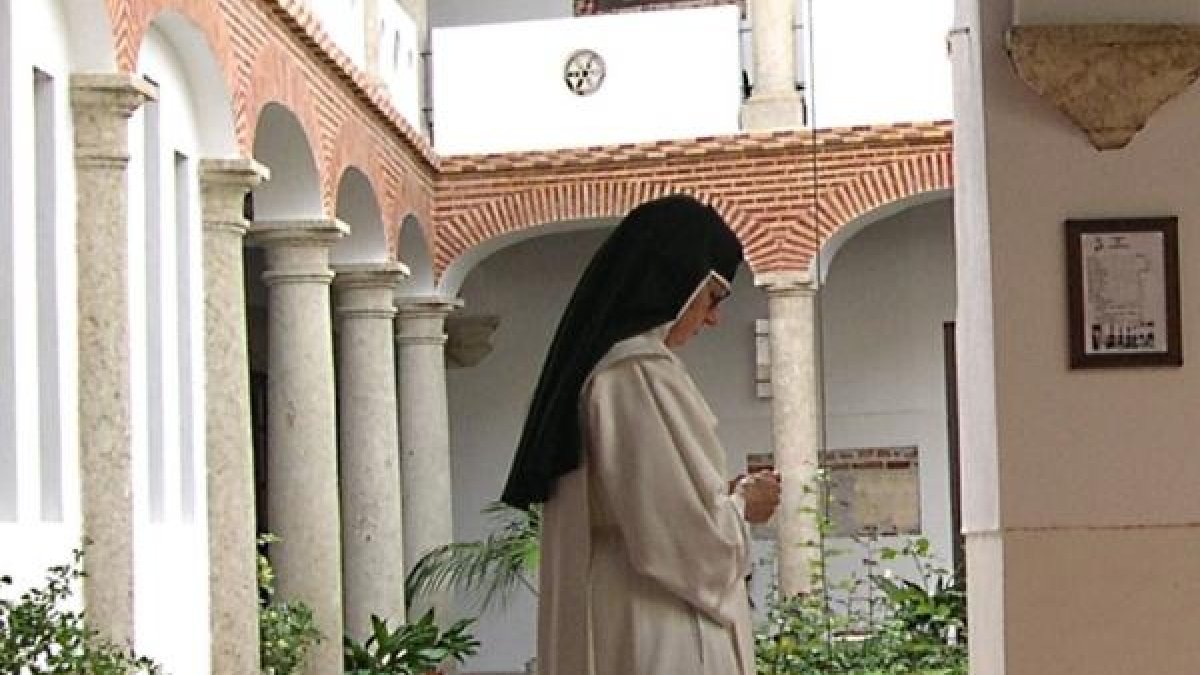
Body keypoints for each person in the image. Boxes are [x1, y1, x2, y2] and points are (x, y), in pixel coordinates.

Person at [501, 194, 781, 675]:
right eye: (714, 297)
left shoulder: (613, 371)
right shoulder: (635, 374)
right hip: (659, 620)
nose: (713, 318)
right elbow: (680, 538)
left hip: (631, 606)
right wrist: (742, 507)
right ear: (675, 281)